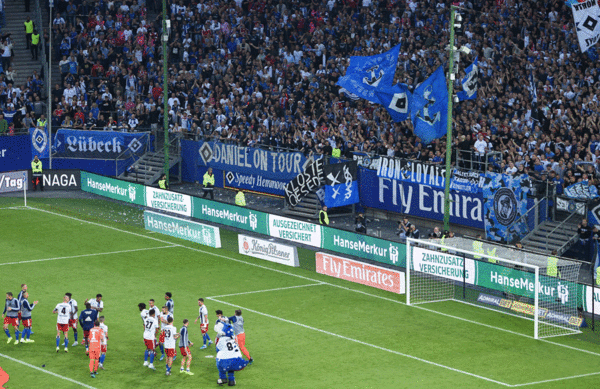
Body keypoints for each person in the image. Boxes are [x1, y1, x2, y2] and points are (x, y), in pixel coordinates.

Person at [214, 321, 249, 386]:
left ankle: (223, 379)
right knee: (231, 367)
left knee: (220, 364)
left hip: (224, 360)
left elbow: (217, 349)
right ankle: (231, 380)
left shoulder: (222, 339)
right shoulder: (234, 337)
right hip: (236, 359)